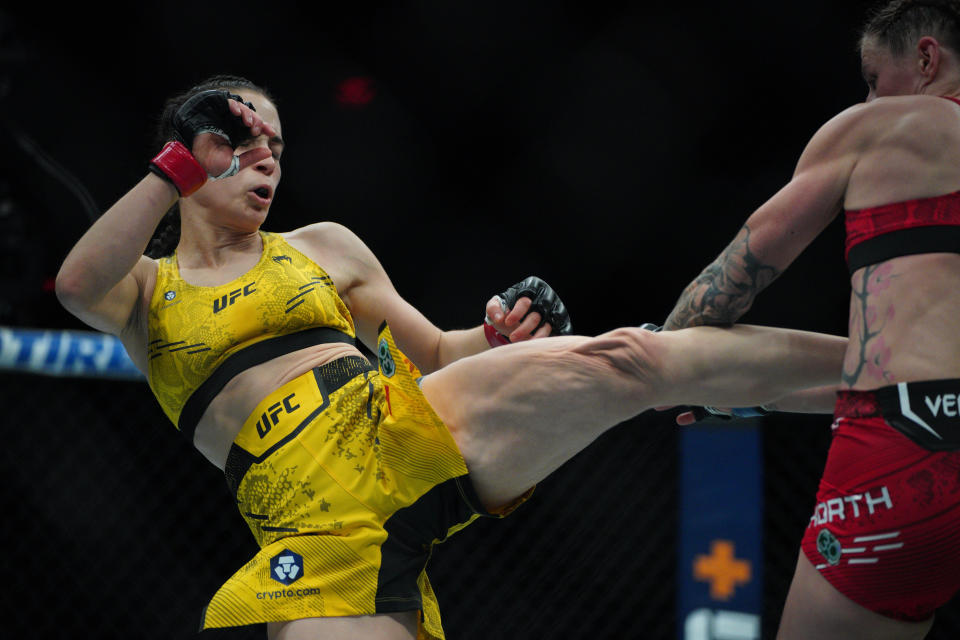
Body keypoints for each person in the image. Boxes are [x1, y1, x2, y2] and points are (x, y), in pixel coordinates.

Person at [55, 75, 847, 640]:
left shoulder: (321, 248)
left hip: (399, 420)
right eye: (241, 138)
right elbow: (74, 285)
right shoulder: (147, 287)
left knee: (630, 357)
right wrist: (172, 164)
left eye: (277, 144)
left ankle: (886, 377)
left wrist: (497, 332)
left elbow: (434, 350)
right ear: (190, 151)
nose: (266, 157)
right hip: (315, 520)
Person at [659, 1, 960, 638]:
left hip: (907, 463)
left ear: (927, 60)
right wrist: (752, 396)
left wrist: (668, 361)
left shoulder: (886, 128)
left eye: (875, 81)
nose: (869, 98)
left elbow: (735, 276)